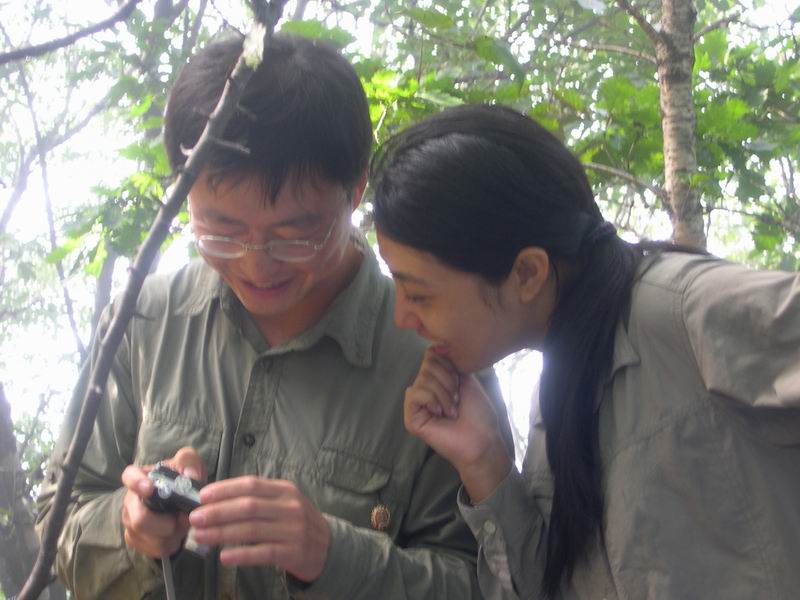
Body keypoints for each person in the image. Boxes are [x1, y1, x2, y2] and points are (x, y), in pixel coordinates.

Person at [36, 34, 491, 600]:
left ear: (354, 193)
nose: (256, 265)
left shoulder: (436, 356)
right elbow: (58, 523)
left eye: (295, 235)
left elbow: (486, 582)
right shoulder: (143, 321)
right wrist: (133, 531)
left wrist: (332, 556)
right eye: (221, 231)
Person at [370, 103, 800, 599]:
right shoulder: (560, 387)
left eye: (418, 294)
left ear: (527, 273)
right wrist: (484, 462)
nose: (403, 317)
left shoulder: (683, 311)